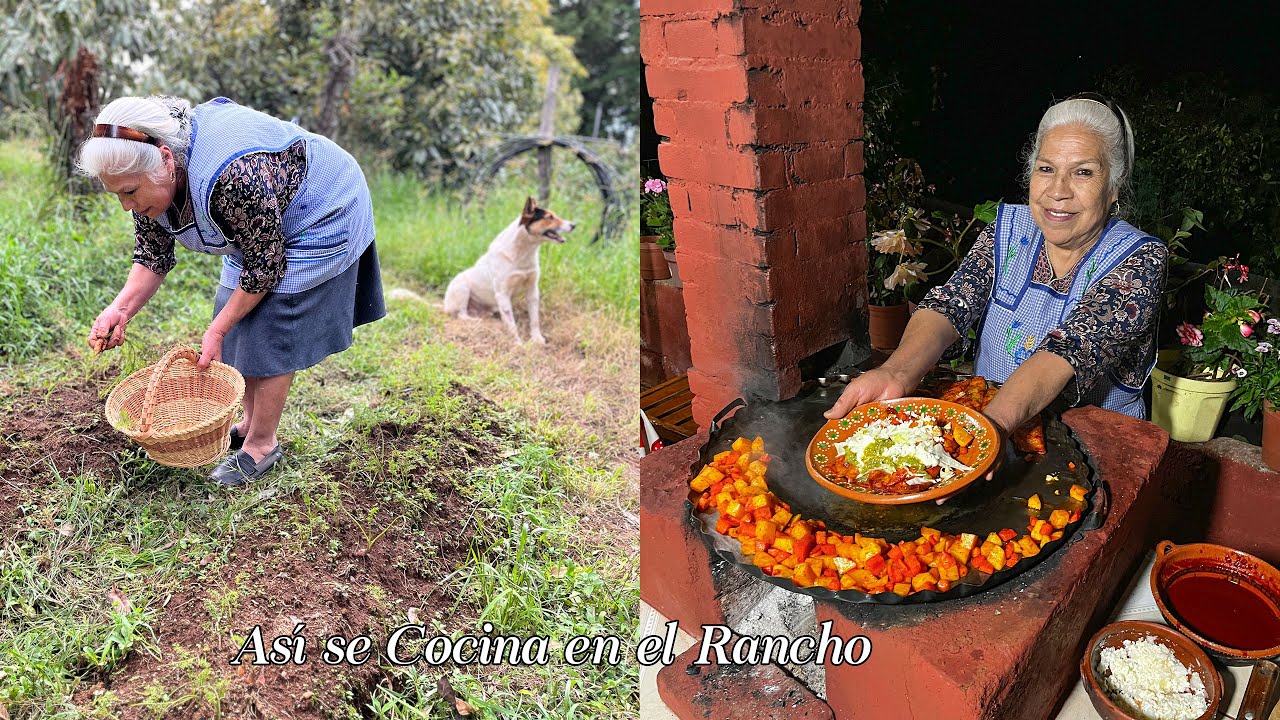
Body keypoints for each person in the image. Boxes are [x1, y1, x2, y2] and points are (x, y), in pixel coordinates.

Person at [828, 94, 1167, 454]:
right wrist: (895, 372)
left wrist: (990, 428)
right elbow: (950, 305)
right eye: (1046, 168)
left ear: (1113, 187)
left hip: (1093, 447)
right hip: (987, 418)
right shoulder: (1006, 231)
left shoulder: (1141, 258)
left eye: (1083, 172)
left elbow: (1069, 349)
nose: (1057, 191)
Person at [80, 96, 385, 486]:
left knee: (274, 323)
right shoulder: (148, 179)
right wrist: (119, 311)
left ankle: (261, 443)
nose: (126, 206)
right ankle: (248, 422)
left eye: (130, 192)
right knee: (233, 307)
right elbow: (152, 258)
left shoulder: (231, 176)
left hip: (322, 208)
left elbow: (265, 268)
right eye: (117, 195)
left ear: (166, 161)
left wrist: (218, 330)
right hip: (262, 223)